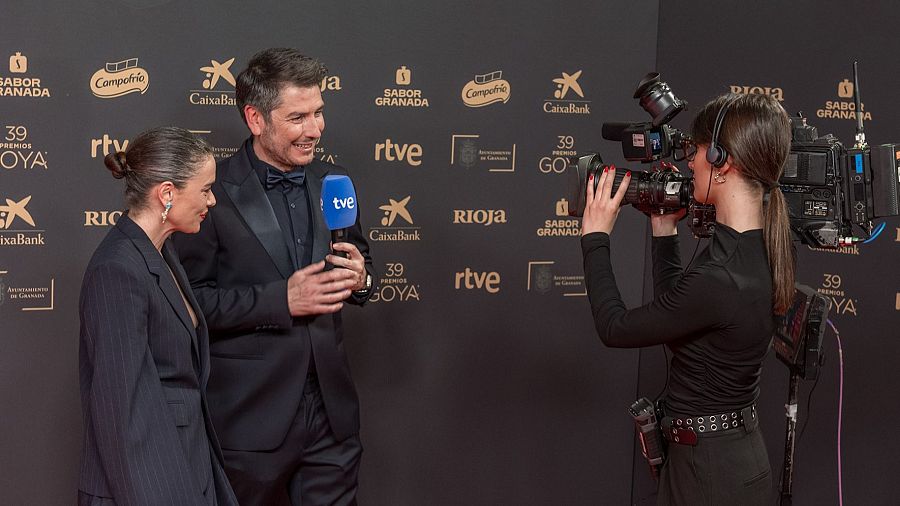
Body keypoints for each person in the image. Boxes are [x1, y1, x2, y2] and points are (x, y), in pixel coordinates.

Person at [174, 48, 375, 506]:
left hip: (332, 420)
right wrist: (281, 299)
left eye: (318, 113)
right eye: (298, 118)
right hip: (249, 421)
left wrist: (361, 279)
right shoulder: (211, 193)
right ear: (255, 118)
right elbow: (191, 303)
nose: (315, 129)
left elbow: (360, 261)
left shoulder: (334, 181)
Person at [580, 93, 794, 505]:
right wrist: (664, 230)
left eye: (696, 151)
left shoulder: (721, 277)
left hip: (710, 475)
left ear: (721, 160)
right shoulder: (760, 249)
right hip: (722, 460)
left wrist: (595, 237)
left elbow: (614, 328)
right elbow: (677, 313)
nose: (690, 163)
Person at [78, 127, 239, 506]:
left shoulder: (162, 253)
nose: (212, 200)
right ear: (167, 193)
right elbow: (122, 410)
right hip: (148, 481)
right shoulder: (118, 269)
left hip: (186, 465)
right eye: (205, 189)